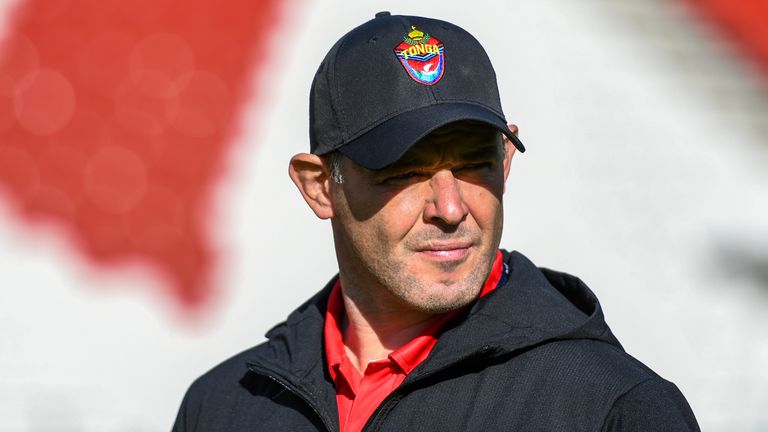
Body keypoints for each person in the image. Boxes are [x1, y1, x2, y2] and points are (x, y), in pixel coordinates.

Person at [172, 12, 700, 432]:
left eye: (475, 164)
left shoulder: (612, 408)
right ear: (318, 186)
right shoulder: (223, 406)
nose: (450, 208)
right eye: (403, 171)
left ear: (507, 161)